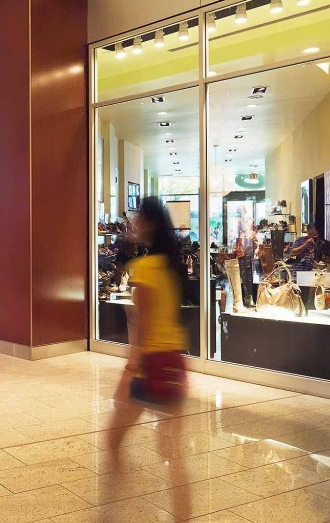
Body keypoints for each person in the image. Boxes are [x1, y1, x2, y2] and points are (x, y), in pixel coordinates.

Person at [106, 197, 191, 519]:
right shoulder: (171, 269)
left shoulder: (142, 269)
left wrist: (127, 374)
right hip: (175, 362)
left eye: (138, 219)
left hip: (149, 366)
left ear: (150, 224)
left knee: (114, 440)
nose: (134, 224)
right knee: (173, 455)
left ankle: (120, 508)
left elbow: (139, 329)